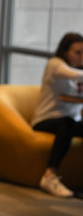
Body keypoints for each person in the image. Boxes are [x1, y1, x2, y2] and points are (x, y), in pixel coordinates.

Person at [31, 32, 83, 198]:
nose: (82, 57)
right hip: (45, 120)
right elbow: (70, 74)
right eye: (78, 52)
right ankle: (49, 176)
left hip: (72, 121)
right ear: (65, 51)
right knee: (67, 124)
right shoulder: (55, 64)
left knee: (71, 123)